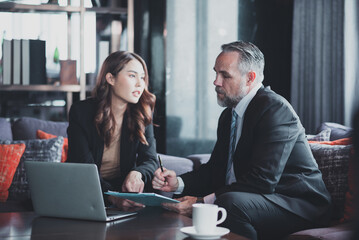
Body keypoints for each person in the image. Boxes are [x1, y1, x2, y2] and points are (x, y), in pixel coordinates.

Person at [152, 41, 332, 239]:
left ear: (250, 78)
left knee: (228, 203)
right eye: (215, 73)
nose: (216, 82)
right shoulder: (229, 115)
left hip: (297, 204)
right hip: (257, 198)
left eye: (225, 75)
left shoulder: (275, 109)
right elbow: (215, 169)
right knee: (179, 200)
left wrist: (203, 201)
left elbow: (262, 181)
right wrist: (177, 183)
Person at [67, 51, 158, 210]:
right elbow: (83, 168)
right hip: (84, 190)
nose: (139, 84)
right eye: (132, 76)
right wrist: (112, 198)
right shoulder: (81, 112)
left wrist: (137, 173)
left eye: (142, 77)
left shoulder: (143, 113)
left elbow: (150, 159)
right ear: (111, 79)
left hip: (123, 192)